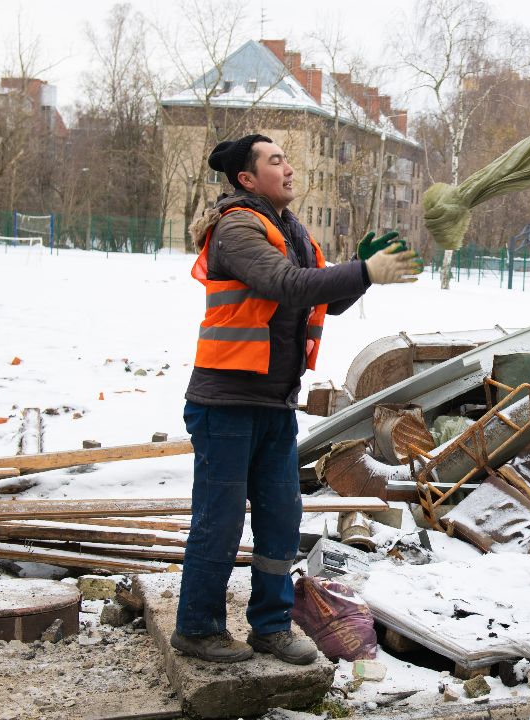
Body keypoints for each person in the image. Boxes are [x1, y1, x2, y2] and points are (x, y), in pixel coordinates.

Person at [172, 133, 422, 664]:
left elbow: (321, 299)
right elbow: (284, 283)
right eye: (276, 160)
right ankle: (197, 628)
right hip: (226, 404)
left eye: (287, 158)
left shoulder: (293, 231)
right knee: (219, 521)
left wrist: (363, 270)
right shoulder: (237, 225)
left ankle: (270, 627)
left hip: (274, 404)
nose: (289, 168)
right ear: (246, 178)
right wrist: (362, 272)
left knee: (281, 519)